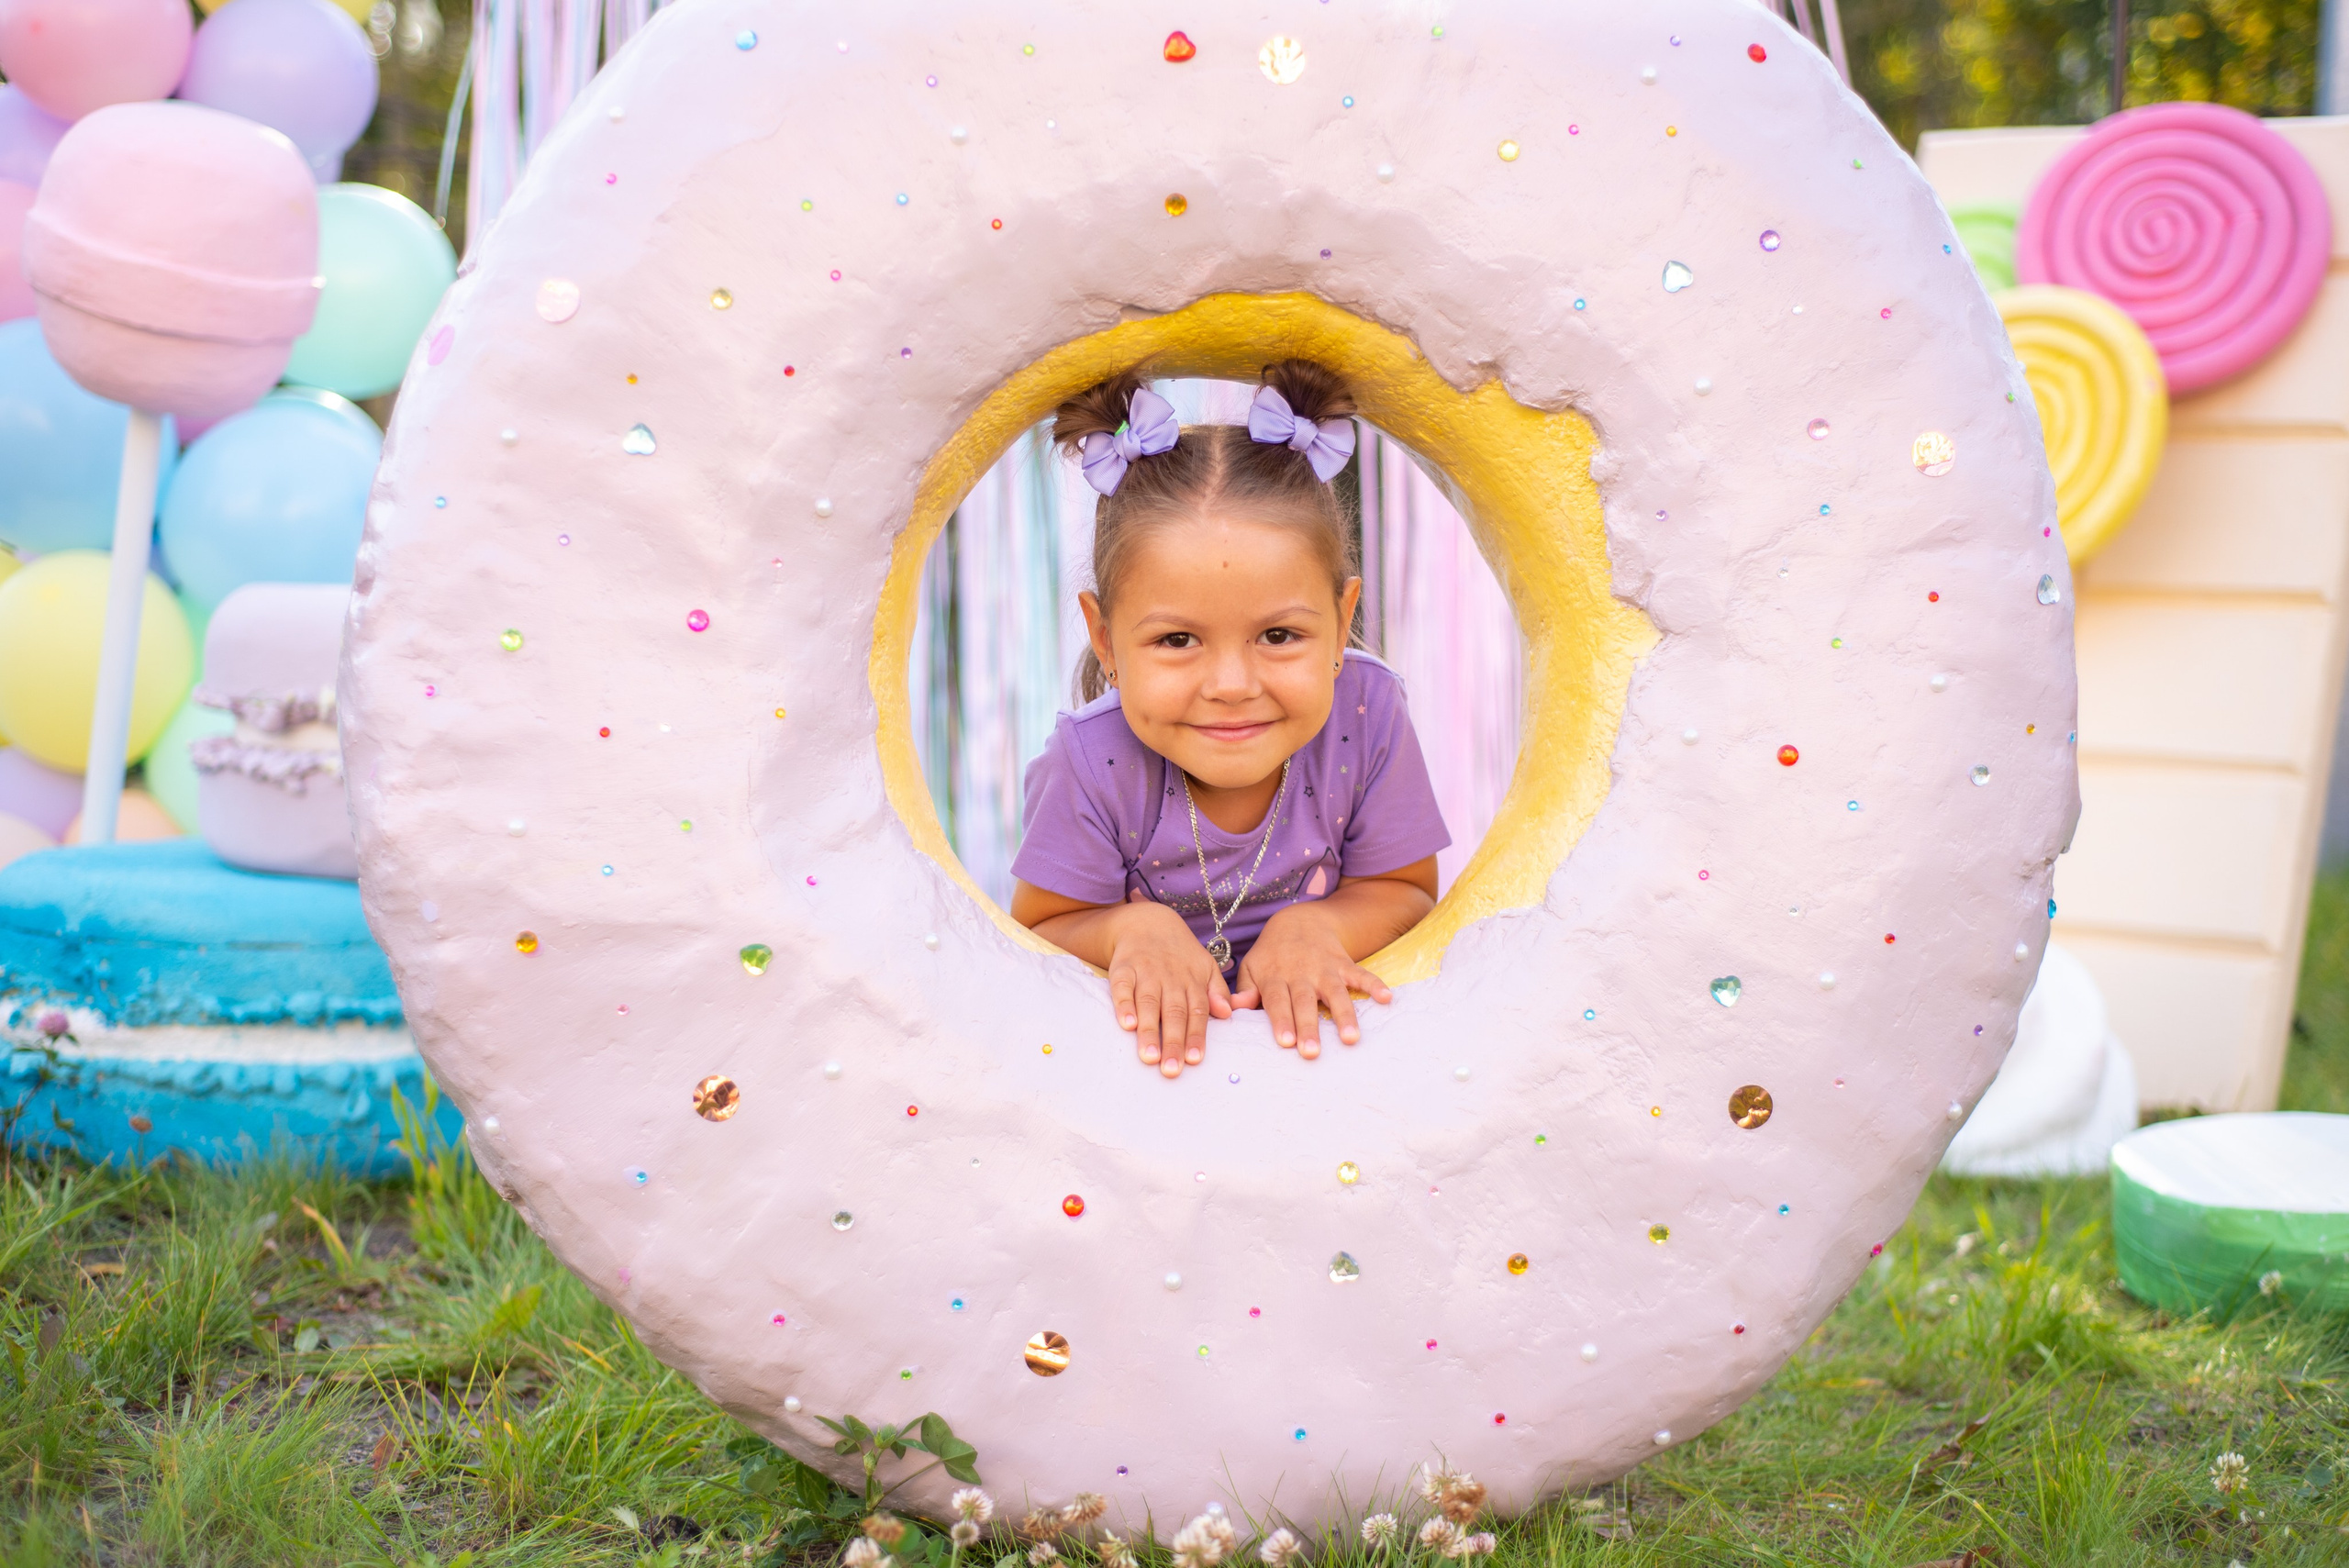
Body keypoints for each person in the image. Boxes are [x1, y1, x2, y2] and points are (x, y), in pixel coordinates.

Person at [1009, 360, 1451, 1079]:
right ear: (1104, 636)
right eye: (1177, 640)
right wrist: (1131, 928)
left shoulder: (1367, 711)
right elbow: (1038, 930)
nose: (1232, 685)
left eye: (1279, 636)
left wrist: (1317, 924)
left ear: (1343, 623)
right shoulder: (1090, 760)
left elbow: (1407, 890)